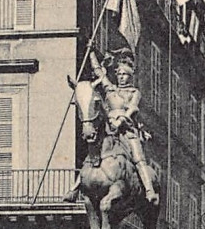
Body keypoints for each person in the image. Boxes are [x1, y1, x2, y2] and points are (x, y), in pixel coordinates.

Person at [66, 47, 159, 204]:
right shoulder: (111, 90)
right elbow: (99, 73)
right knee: (92, 156)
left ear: (130, 76)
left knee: (138, 158)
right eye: (119, 74)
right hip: (110, 129)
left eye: (125, 75)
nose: (122, 77)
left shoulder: (134, 92)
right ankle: (74, 190)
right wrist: (91, 53)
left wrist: (121, 119)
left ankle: (149, 190)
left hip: (127, 130)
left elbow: (133, 108)